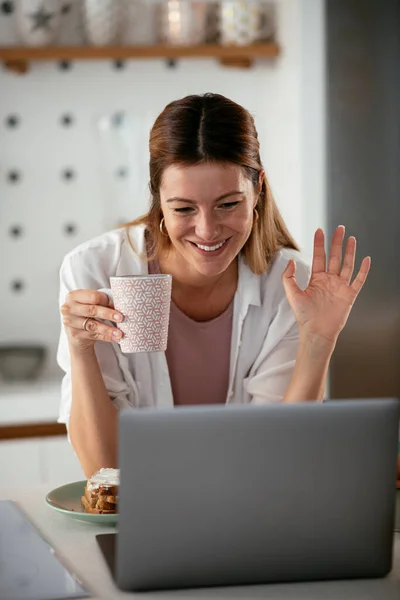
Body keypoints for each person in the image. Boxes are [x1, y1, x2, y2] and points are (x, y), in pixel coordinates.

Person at [58, 93, 371, 479]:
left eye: (227, 204)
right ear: (158, 200)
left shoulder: (290, 286)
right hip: (139, 520)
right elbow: (103, 470)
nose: (206, 231)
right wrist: (80, 349)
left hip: (246, 518)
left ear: (258, 191)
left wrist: (318, 339)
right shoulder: (95, 268)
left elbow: (281, 462)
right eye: (183, 208)